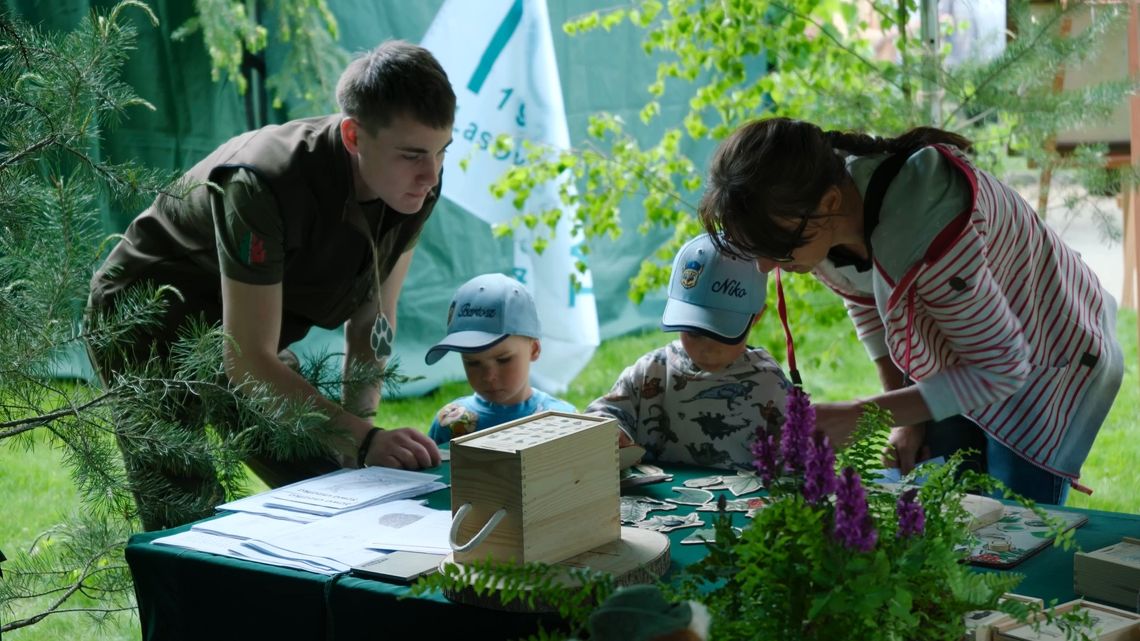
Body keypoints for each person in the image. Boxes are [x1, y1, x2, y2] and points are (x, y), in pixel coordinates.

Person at [86, 40, 452, 530]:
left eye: (441, 151)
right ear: (353, 136)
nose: (431, 175)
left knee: (328, 478)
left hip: (245, 333)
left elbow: (374, 319)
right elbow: (248, 361)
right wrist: (361, 439)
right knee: (186, 513)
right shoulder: (261, 182)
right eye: (412, 155)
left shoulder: (414, 184)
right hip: (148, 317)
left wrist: (358, 438)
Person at [698, 117, 1124, 504]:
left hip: (1047, 359)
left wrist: (862, 414)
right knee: (941, 509)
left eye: (776, 247)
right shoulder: (826, 219)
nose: (766, 266)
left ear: (828, 203)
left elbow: (1003, 370)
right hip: (967, 356)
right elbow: (864, 300)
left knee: (1017, 527)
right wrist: (903, 417)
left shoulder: (929, 229)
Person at [585, 233, 791, 469]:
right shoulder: (651, 372)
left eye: (722, 333)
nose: (707, 347)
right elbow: (602, 415)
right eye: (693, 332)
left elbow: (795, 454)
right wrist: (611, 432)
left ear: (757, 317)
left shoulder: (769, 383)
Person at [423, 273, 576, 444]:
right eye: (472, 362)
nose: (488, 376)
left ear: (534, 349)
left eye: (503, 360)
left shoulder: (563, 422)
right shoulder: (450, 424)